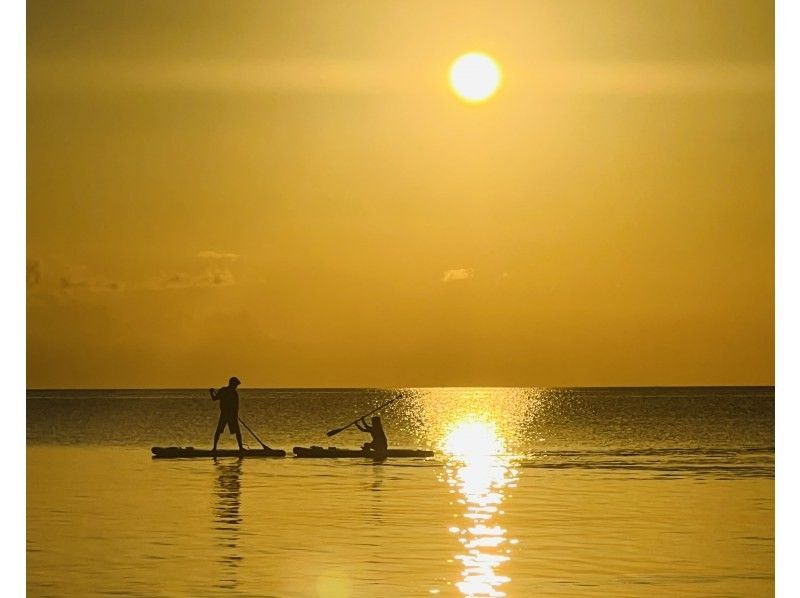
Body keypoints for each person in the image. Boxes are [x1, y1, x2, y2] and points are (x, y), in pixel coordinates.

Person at [210, 376, 244, 452]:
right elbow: (215, 399)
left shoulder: (230, 392)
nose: (236, 386)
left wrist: (235, 415)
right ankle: (214, 448)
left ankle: (240, 448)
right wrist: (211, 392)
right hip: (225, 415)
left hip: (231, 415)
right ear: (232, 384)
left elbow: (236, 406)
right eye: (236, 385)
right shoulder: (224, 391)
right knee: (219, 431)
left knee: (237, 432)